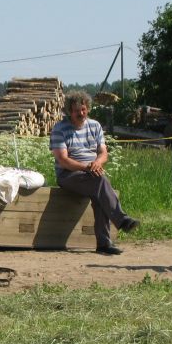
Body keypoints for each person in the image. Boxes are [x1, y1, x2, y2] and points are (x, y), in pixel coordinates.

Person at [50, 90, 140, 255]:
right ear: (69, 111)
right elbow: (63, 160)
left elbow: (104, 153)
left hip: (91, 173)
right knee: (100, 181)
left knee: (99, 190)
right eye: (77, 110)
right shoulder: (59, 129)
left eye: (83, 109)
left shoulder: (95, 126)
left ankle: (104, 244)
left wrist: (97, 163)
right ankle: (121, 220)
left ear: (88, 109)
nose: (81, 113)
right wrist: (86, 168)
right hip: (68, 175)